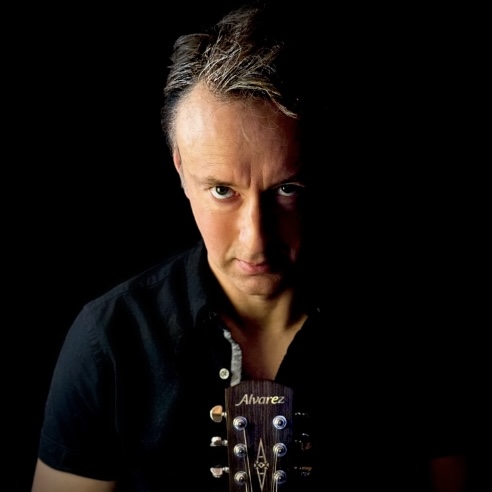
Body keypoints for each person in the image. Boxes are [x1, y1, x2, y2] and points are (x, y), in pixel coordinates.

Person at [32, 2, 470, 491]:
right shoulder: (109, 341)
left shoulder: (411, 331)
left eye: (286, 189)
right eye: (223, 190)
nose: (256, 239)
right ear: (181, 171)